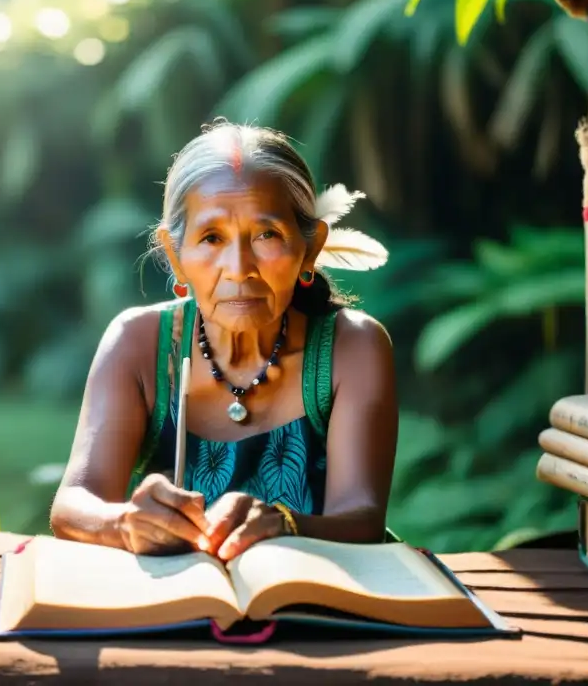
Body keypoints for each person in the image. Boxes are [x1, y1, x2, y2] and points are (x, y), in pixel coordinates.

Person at [49, 120, 398, 562]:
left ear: (309, 250)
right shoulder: (137, 345)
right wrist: (124, 523)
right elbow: (75, 504)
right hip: (172, 614)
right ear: (175, 257)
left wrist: (285, 525)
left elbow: (362, 519)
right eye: (211, 238)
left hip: (321, 614)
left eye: (267, 235)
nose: (239, 268)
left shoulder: (353, 348)